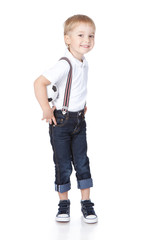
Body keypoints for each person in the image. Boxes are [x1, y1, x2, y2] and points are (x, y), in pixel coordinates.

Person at [34, 14, 98, 224]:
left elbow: (77, 87)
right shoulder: (65, 63)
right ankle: (63, 204)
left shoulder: (83, 62)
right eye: (80, 35)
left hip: (79, 120)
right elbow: (39, 83)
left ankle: (87, 203)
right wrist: (46, 108)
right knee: (62, 164)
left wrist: (81, 105)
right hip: (61, 122)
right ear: (67, 39)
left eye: (91, 36)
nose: (87, 40)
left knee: (82, 161)